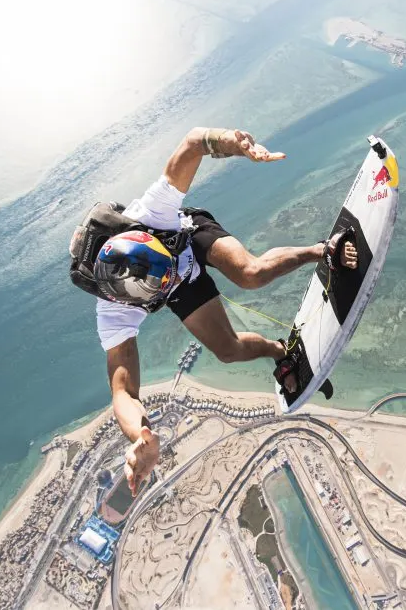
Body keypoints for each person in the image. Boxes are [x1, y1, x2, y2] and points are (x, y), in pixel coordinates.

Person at [70, 128, 357, 495]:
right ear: (132, 300)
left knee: (251, 274)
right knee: (228, 351)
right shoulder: (114, 311)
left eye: (163, 269)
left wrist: (231, 143)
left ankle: (324, 250)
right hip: (181, 285)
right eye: (159, 282)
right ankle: (282, 351)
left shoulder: (151, 214)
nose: (167, 277)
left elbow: (191, 143)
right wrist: (141, 433)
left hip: (187, 237)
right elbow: (123, 392)